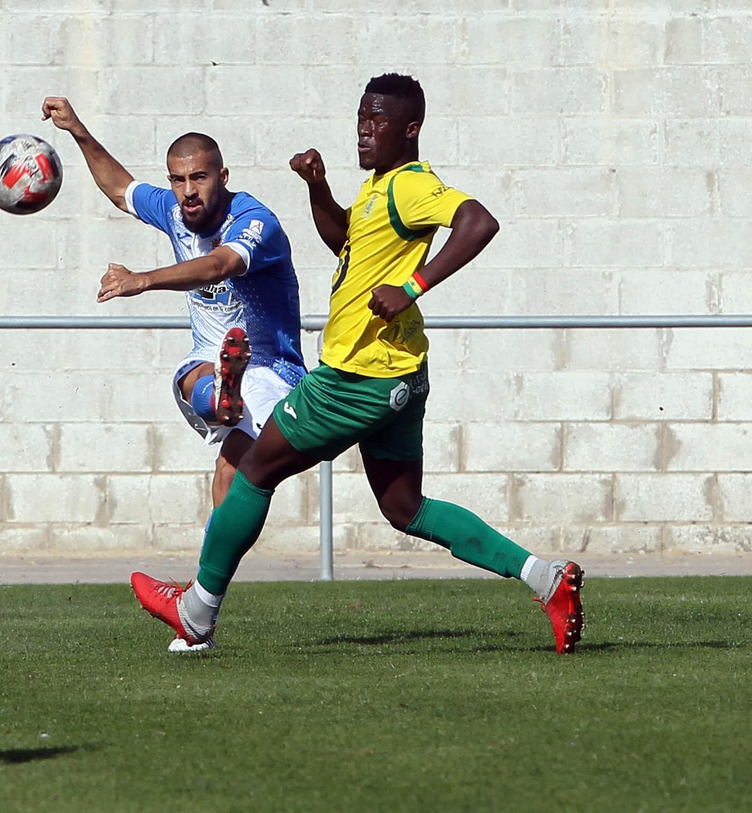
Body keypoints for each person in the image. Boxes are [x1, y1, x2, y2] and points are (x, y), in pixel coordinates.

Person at [130, 73, 584, 654]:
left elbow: (479, 222)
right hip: (397, 373)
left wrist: (413, 285)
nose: (364, 131)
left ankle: (195, 613)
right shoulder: (379, 187)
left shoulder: (412, 186)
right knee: (404, 507)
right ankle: (548, 579)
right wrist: (319, 189)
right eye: (360, 121)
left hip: (355, 376)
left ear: (410, 129)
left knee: (252, 468)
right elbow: (344, 238)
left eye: (377, 122)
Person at [42, 98, 305, 649]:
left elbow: (220, 265)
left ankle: (197, 610)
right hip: (218, 366)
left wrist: (142, 279)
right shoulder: (176, 212)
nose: (188, 191)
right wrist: (77, 131)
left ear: (223, 177)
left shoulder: (255, 221)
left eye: (200, 178)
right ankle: (199, 618)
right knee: (220, 458)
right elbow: (121, 189)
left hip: (273, 368)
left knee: (225, 450)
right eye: (179, 180)